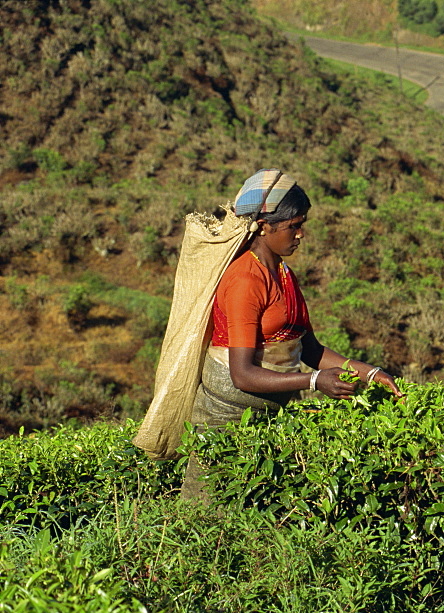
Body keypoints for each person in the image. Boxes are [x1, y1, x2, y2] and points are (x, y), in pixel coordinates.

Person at [134, 169, 402, 497]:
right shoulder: (246, 280)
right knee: (207, 514)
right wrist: (315, 381)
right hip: (226, 421)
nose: (301, 234)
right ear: (265, 226)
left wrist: (371, 373)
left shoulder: (283, 273)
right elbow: (242, 375)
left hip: (267, 415)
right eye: (294, 226)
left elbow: (309, 349)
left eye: (302, 224)